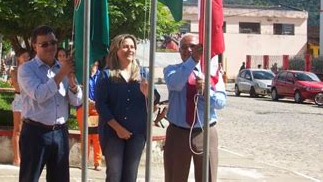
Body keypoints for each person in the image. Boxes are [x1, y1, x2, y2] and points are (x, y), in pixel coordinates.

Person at [18, 25, 82, 182]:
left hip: (60, 133)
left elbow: (77, 101)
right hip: (35, 133)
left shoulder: (64, 68)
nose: (50, 47)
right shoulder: (26, 69)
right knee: (29, 178)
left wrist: (73, 83)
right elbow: (39, 95)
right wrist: (61, 74)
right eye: (44, 44)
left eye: (53, 42)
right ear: (34, 46)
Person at [163, 33, 226, 182]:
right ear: (179, 52)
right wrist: (193, 61)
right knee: (175, 177)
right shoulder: (171, 70)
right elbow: (175, 84)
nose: (188, 50)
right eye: (184, 47)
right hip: (178, 132)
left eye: (193, 46)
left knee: (207, 176)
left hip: (205, 131)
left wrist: (207, 91)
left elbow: (221, 102)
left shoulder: (211, 72)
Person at [95, 34, 149, 182]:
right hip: (112, 134)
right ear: (116, 50)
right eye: (125, 46)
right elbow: (101, 105)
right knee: (114, 175)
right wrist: (118, 128)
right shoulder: (106, 75)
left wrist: (148, 94)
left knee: (130, 176)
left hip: (137, 133)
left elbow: (153, 101)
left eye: (132, 47)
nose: (129, 49)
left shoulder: (143, 74)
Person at [76, 60, 102, 171]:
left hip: (96, 108)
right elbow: (77, 91)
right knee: (85, 135)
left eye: (95, 63)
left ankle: (97, 162)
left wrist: (96, 102)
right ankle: (84, 161)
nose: (93, 65)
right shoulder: (82, 75)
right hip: (83, 107)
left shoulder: (101, 75)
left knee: (96, 136)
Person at [9, 48, 30, 166]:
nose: (26, 59)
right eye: (24, 57)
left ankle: (27, 156)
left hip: (30, 100)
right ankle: (16, 158)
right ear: (19, 59)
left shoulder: (32, 71)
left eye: (28, 57)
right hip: (19, 100)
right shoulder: (14, 71)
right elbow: (18, 88)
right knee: (17, 130)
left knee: (29, 131)